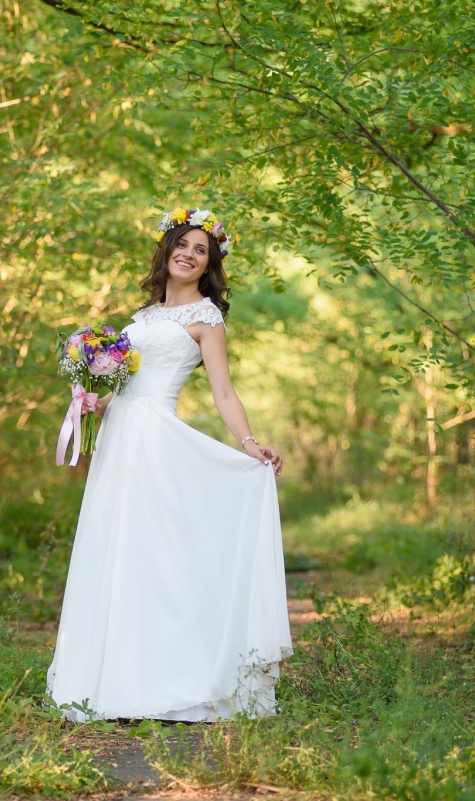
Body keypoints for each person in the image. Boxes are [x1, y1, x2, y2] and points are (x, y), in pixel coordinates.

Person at [46, 208, 293, 723]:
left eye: (200, 249)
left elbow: (223, 391)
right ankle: (113, 682)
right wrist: (96, 399)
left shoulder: (207, 320)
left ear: (209, 264)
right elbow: (125, 388)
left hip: (157, 440)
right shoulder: (141, 319)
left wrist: (249, 442)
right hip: (119, 441)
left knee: (159, 554)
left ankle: (171, 678)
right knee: (117, 549)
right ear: (167, 251)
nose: (189, 253)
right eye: (182, 244)